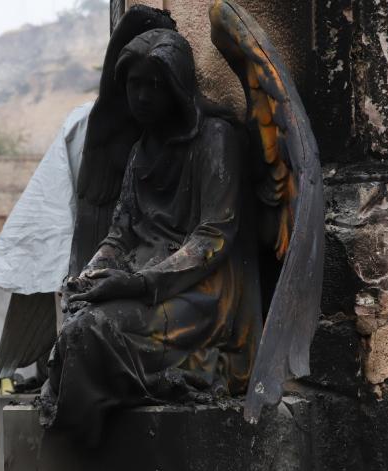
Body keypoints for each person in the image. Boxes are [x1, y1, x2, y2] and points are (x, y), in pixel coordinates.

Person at [39, 28, 263, 445]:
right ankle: (86, 439)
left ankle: (90, 445)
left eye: (153, 85)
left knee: (89, 333)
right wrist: (93, 274)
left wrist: (140, 283)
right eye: (133, 85)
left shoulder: (215, 138)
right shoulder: (142, 150)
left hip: (200, 292)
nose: (141, 96)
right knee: (79, 322)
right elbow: (120, 234)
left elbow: (214, 236)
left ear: (176, 87)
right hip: (144, 280)